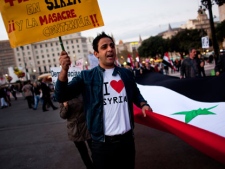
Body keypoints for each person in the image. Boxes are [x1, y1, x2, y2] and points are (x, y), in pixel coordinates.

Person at [54, 32, 152, 169]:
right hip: (101, 144)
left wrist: (143, 104)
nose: (110, 49)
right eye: (104, 47)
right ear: (96, 54)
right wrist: (64, 70)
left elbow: (135, 93)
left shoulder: (126, 74)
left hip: (127, 141)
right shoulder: (86, 77)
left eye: (112, 46)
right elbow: (60, 96)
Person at [59, 94, 94, 169]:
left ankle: (97, 164)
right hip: (74, 129)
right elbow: (62, 115)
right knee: (83, 152)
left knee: (94, 149)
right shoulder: (63, 97)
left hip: (86, 125)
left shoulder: (82, 94)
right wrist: (65, 106)